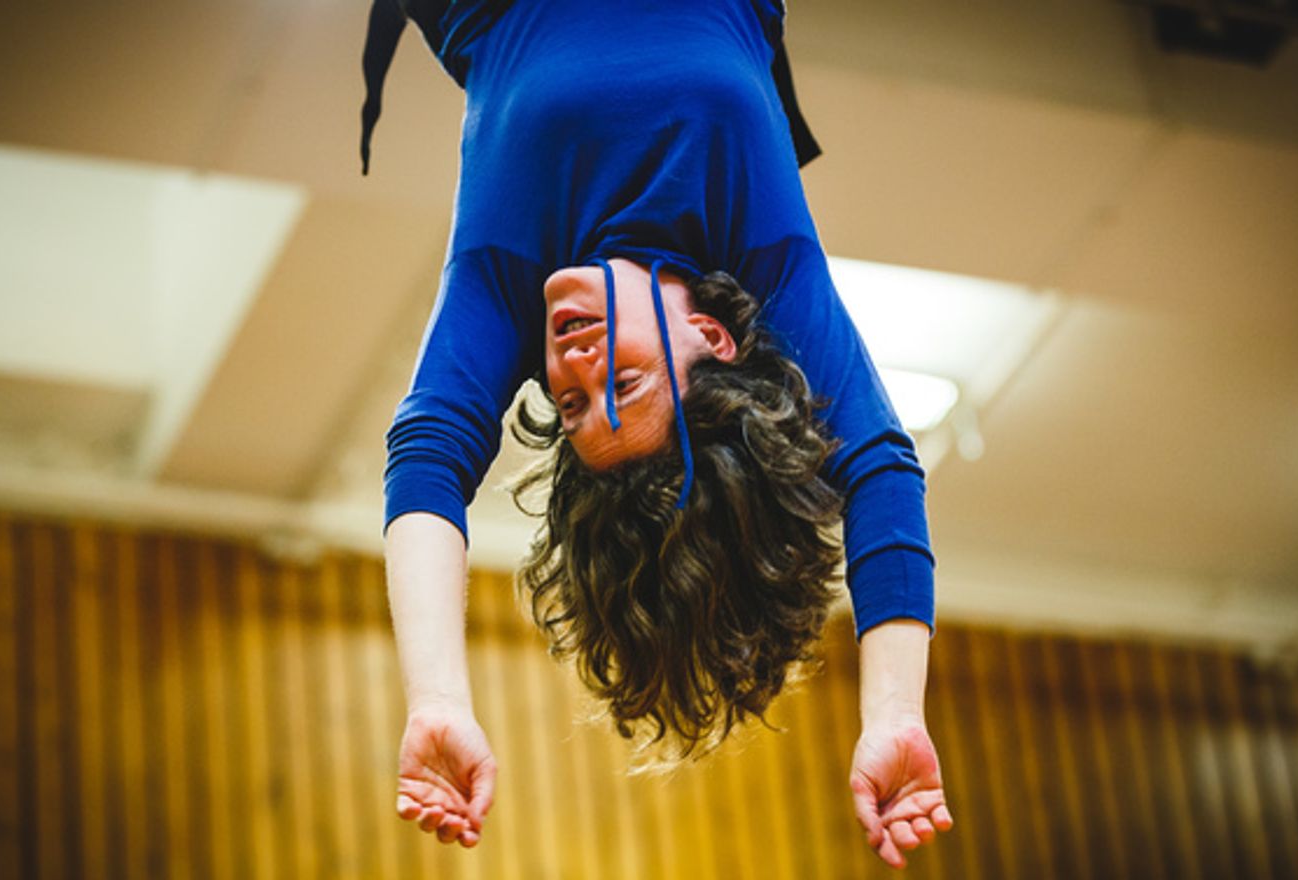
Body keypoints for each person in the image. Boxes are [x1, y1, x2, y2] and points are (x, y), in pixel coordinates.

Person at [362, 0, 951, 868]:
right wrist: (896, 712)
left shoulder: (508, 280)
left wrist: (436, 696)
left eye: (567, 406)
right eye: (625, 386)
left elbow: (424, 463)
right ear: (712, 344)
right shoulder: (763, 257)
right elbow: (881, 472)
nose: (571, 367)